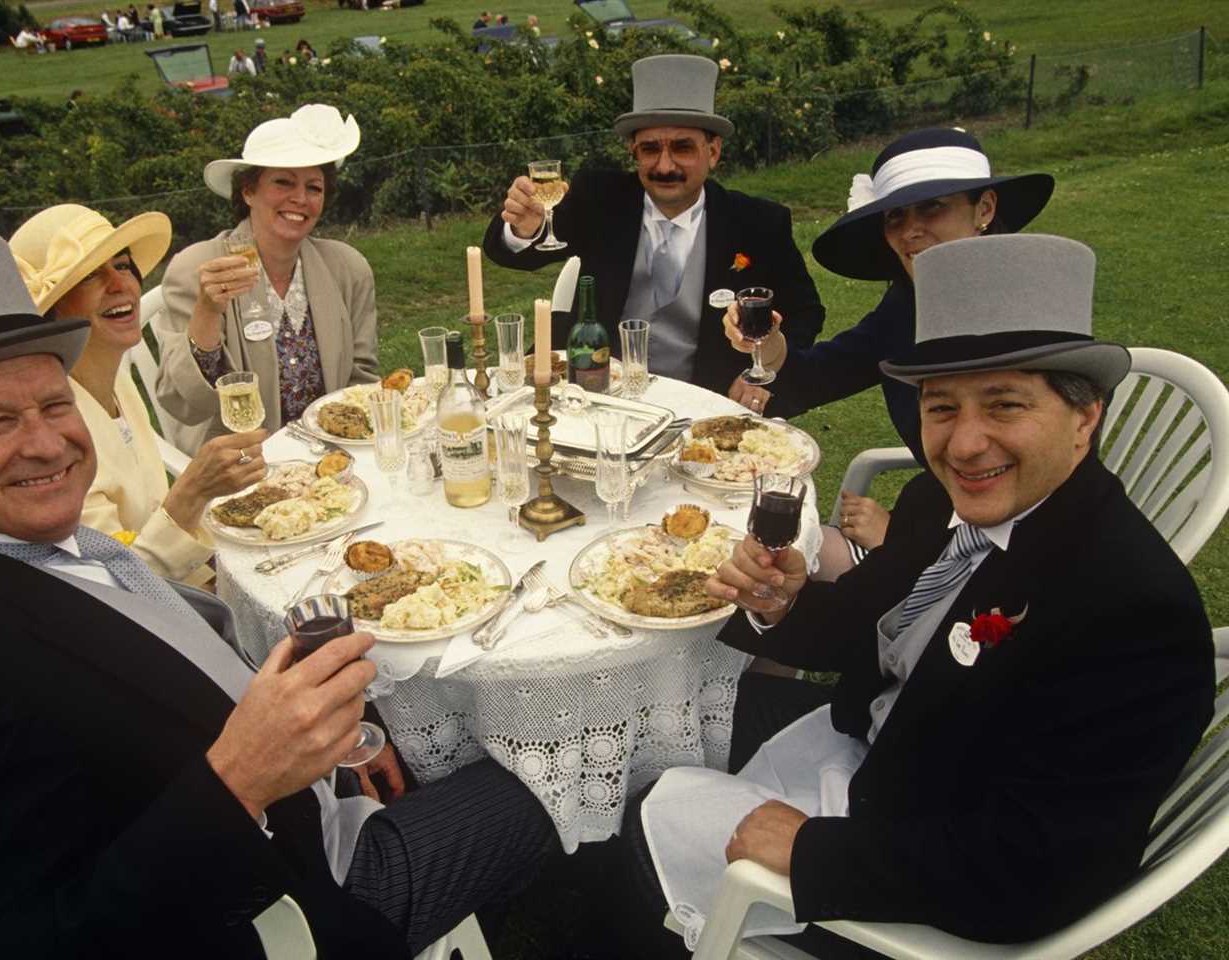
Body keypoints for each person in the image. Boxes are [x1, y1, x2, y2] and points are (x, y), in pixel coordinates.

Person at [0, 228, 557, 958]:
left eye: (54, 405)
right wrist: (239, 780)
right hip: (303, 895)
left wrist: (329, 742)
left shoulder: (48, 545)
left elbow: (167, 663)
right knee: (553, 776)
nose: (47, 443)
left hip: (322, 787)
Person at [623, 234, 1214, 957]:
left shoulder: (1133, 615)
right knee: (642, 736)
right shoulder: (943, 503)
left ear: (1084, 417)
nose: (965, 445)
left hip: (917, 871)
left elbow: (1046, 867)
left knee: (628, 844)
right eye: (941, 408)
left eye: (1003, 405)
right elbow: (870, 624)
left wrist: (814, 853)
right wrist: (779, 602)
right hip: (877, 747)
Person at [729, 128, 1054, 571]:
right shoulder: (908, 304)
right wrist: (768, 342)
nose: (911, 232)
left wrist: (899, 537)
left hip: (1007, 563)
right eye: (895, 217)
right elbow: (822, 374)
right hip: (935, 520)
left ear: (985, 208)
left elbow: (1032, 495)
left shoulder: (1032, 318)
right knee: (757, 559)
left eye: (932, 208)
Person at [483, 54, 824, 399]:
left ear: (714, 151)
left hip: (704, 400)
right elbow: (512, 255)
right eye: (650, 149)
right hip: (596, 392)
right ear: (634, 151)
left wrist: (761, 373)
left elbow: (805, 312)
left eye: (682, 147)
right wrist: (523, 228)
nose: (664, 165)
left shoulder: (759, 223)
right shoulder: (599, 197)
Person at [9, 204, 267, 586]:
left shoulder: (115, 380)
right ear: (52, 309)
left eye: (124, 265)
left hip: (189, 575)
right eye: (92, 276)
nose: (121, 285)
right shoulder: (50, 440)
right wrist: (193, 491)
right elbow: (119, 585)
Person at [156, 103, 379, 454]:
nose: (300, 199)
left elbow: (362, 379)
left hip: (335, 454)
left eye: (314, 188)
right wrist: (208, 311)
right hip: (241, 464)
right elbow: (182, 402)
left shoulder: (347, 268)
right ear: (247, 191)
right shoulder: (195, 268)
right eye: (283, 182)